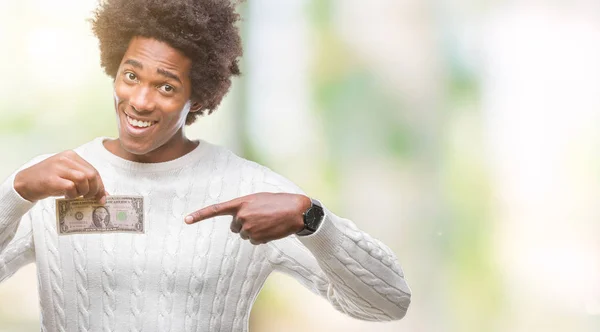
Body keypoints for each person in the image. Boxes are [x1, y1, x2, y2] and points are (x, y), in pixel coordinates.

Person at [0, 1, 411, 331]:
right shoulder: (50, 182)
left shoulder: (248, 188)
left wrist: (313, 220)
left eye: (166, 86)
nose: (140, 101)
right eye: (130, 76)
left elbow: (389, 303)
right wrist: (15, 193)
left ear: (196, 98)